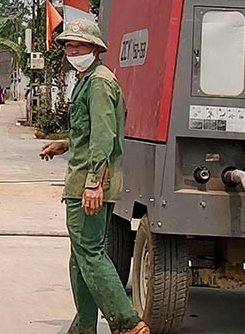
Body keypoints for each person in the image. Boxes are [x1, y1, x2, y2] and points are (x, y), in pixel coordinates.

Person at [40, 19, 149, 334]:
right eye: (69, 46)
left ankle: (127, 322)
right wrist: (64, 144)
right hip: (81, 181)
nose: (73, 51)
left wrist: (93, 185)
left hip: (89, 184)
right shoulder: (88, 80)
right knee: (81, 259)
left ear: (95, 49)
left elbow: (104, 137)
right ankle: (84, 325)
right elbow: (89, 133)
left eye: (79, 45)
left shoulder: (99, 82)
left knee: (90, 254)